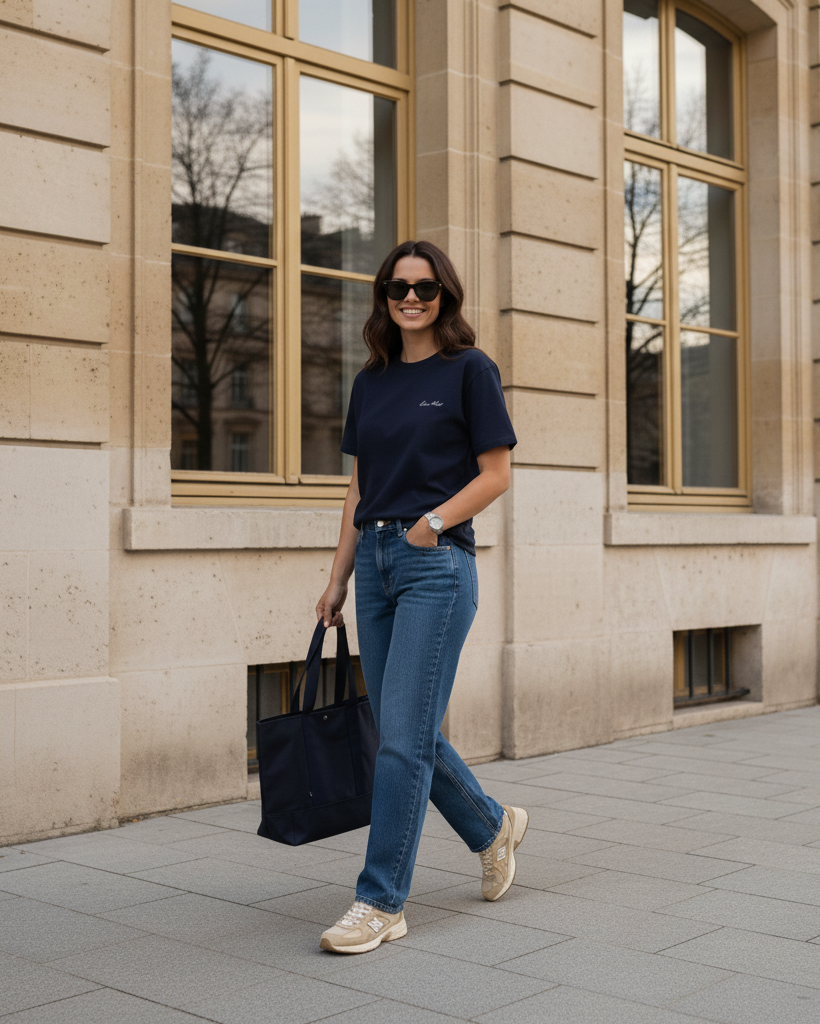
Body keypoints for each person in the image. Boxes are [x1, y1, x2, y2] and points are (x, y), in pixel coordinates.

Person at [315, 239, 528, 954]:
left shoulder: (470, 370)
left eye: (425, 288)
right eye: (397, 287)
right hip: (373, 562)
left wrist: (432, 525)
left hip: (433, 566)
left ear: (447, 296)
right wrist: (338, 576)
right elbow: (357, 487)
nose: (410, 298)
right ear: (382, 296)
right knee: (410, 731)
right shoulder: (370, 381)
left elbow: (495, 474)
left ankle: (381, 902)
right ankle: (491, 826)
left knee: (401, 739)